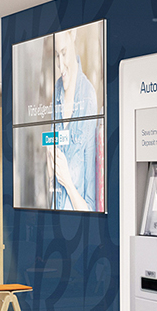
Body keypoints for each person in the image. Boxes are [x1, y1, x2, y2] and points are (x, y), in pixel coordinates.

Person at [52, 27, 98, 211]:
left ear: (73, 35)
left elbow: (91, 207)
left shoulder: (88, 98)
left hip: (76, 228)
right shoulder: (57, 89)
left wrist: (67, 182)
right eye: (56, 56)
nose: (60, 65)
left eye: (64, 53)